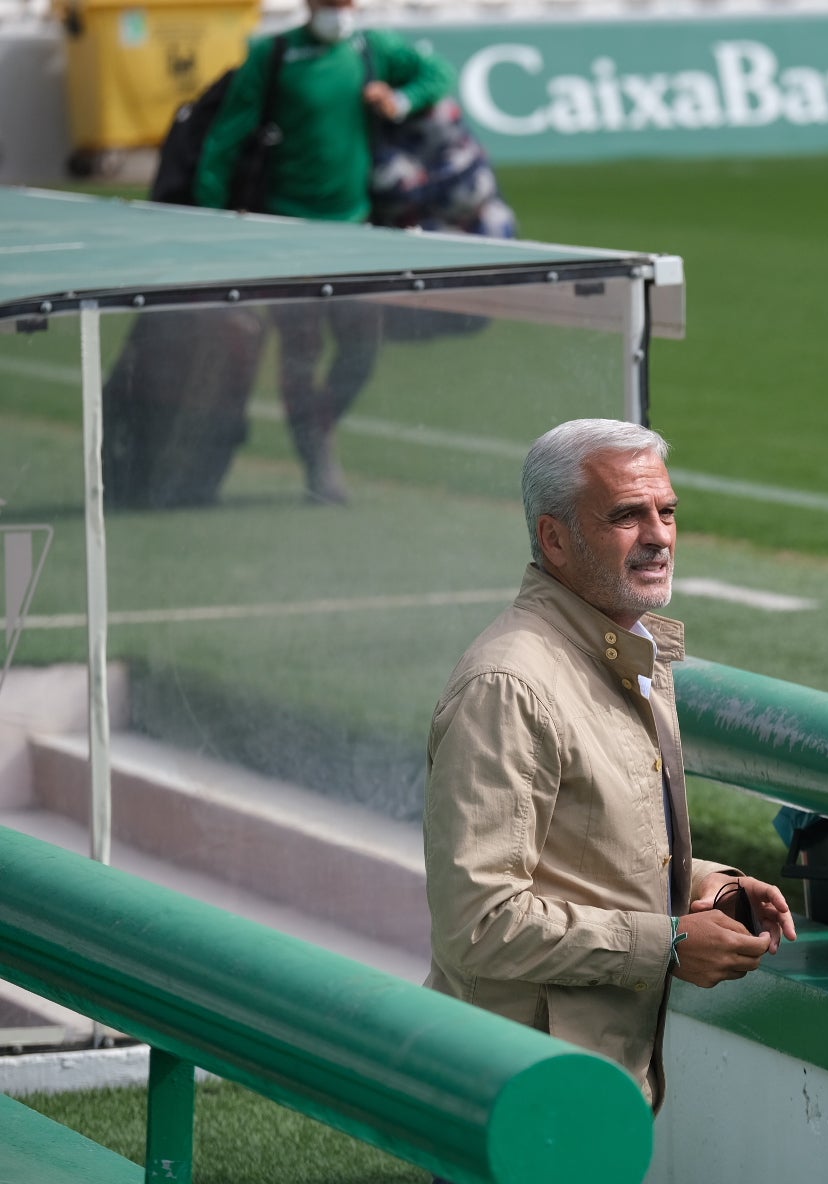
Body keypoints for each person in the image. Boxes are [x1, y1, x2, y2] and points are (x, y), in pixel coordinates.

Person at [423, 419, 796, 1111]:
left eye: (667, 511)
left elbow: (589, 844)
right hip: (517, 1088)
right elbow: (477, 923)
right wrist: (669, 945)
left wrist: (706, 885)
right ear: (554, 538)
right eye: (626, 515)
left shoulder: (627, 646)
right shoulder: (509, 686)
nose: (657, 534)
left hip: (588, 1080)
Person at [193, 0, 454, 504]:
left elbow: (438, 73)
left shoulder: (371, 47)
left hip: (356, 229)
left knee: (362, 347)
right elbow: (226, 135)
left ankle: (319, 426)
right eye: (331, 3)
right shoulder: (273, 54)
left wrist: (400, 99)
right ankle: (318, 461)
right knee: (301, 351)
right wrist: (210, 216)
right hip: (286, 234)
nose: (340, 11)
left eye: (347, 3)